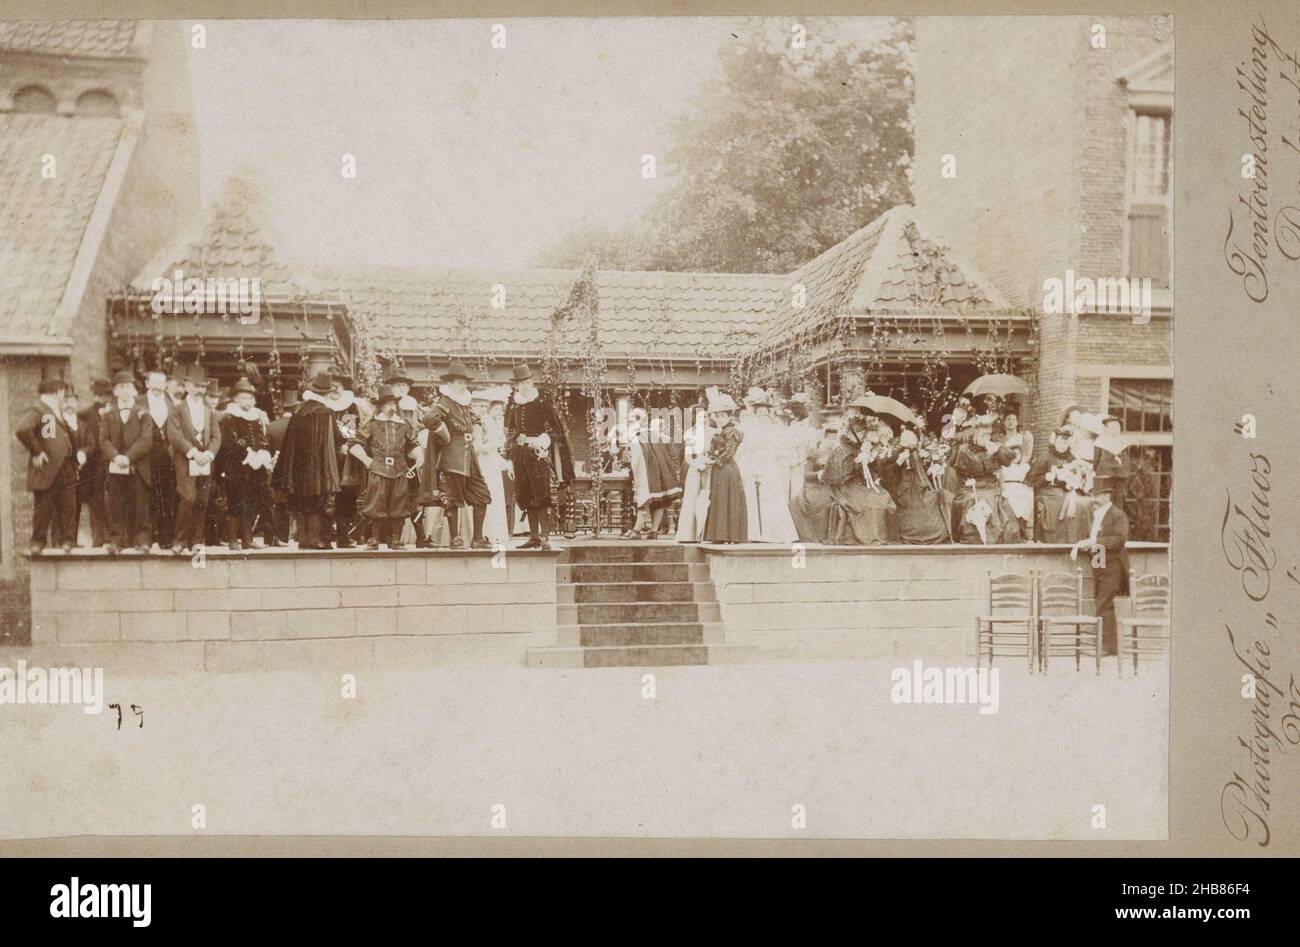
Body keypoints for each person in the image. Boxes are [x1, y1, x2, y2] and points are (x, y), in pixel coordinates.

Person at [416, 363, 491, 549]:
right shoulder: (445, 402)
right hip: (451, 457)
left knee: (482, 494)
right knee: (451, 497)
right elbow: (428, 419)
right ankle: (456, 538)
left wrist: (477, 430)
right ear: (450, 383)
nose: (462, 386)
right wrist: (444, 433)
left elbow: (476, 419)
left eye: (464, 382)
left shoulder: (464, 402)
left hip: (469, 456)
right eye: (458, 382)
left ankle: (478, 538)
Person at [505, 363, 573, 550]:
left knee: (541, 495)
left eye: (528, 381)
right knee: (525, 495)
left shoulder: (542, 404)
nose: (525, 385)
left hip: (538, 455)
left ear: (531, 382)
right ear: (516, 385)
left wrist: (544, 439)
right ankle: (533, 537)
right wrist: (510, 460)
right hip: (520, 455)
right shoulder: (514, 407)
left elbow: (557, 431)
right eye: (521, 383)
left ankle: (545, 537)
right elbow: (511, 434)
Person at [271, 369, 341, 550]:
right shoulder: (326, 413)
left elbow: (289, 441)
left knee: (302, 501)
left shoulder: (298, 410)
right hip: (319, 467)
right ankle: (318, 539)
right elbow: (337, 438)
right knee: (319, 501)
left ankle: (303, 539)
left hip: (298, 467)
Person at [349, 385, 422, 549]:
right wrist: (367, 461)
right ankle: (374, 538)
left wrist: (419, 455)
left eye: (394, 403)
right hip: (379, 469)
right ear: (381, 406)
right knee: (376, 503)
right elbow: (354, 444)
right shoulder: (373, 424)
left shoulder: (403, 424)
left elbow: (412, 445)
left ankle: (395, 539)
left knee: (399, 503)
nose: (392, 407)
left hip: (399, 469)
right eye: (389, 403)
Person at [15, 378, 77, 553]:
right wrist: (37, 451)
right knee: (44, 505)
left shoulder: (54, 411)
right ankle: (38, 541)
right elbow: (22, 429)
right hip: (48, 467)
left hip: (65, 465)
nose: (63, 396)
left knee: (68, 505)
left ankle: (67, 540)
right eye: (63, 392)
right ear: (57, 391)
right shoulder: (39, 410)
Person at [1072, 473, 1130, 657]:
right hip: (1100, 563)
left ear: (1107, 496)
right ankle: (1110, 646)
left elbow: (1119, 539)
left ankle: (1106, 646)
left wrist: (1094, 542)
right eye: (1092, 494)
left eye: (1097, 495)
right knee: (1104, 603)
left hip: (1113, 565)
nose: (1094, 498)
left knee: (1103, 604)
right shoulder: (1097, 515)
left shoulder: (1117, 515)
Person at [166, 364, 223, 554]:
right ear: (187, 386)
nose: (200, 390)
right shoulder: (177, 409)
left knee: (202, 500)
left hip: (205, 461)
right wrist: (193, 453)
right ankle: (179, 540)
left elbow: (216, 436)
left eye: (203, 387)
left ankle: (197, 541)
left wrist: (208, 454)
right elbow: (174, 435)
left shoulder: (209, 411)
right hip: (185, 459)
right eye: (197, 386)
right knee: (188, 498)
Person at [99, 370, 153, 554]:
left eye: (129, 387)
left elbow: (146, 440)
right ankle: (117, 540)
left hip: (137, 465)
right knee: (116, 503)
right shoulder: (108, 414)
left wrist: (128, 457)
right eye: (121, 387)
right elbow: (103, 440)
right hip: (115, 466)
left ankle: (142, 540)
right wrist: (116, 457)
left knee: (140, 503)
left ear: (135, 390)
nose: (126, 391)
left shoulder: (143, 413)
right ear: (114, 392)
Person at [736, 387, 799, 543]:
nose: (763, 416)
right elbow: (745, 449)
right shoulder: (750, 430)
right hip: (755, 464)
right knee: (754, 497)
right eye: (760, 414)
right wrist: (750, 465)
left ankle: (775, 533)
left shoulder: (774, 430)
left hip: (770, 465)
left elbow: (781, 447)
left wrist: (781, 456)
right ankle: (755, 532)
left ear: (769, 415)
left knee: (772, 497)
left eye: (765, 413)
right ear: (756, 415)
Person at [216, 378, 272, 551]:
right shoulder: (229, 418)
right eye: (243, 398)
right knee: (235, 503)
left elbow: (262, 439)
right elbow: (230, 443)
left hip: (255, 468)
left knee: (252, 503)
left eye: (249, 398)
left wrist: (262, 452)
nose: (247, 402)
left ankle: (248, 539)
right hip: (237, 467)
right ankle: (233, 540)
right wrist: (248, 453)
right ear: (235, 399)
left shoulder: (256, 417)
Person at [951, 414, 1022, 545]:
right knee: (968, 500)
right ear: (976, 435)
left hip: (991, 484)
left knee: (995, 499)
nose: (987, 438)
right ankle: (974, 537)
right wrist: (988, 455)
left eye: (988, 435)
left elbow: (1009, 461)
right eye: (983, 435)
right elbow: (964, 469)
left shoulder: (994, 446)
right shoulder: (965, 449)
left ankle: (996, 538)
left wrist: (998, 450)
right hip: (971, 485)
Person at [881, 424, 949, 544]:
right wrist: (899, 461)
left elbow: (922, 472)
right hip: (904, 489)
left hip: (920, 487)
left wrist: (930, 470)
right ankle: (913, 534)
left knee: (933, 499)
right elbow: (885, 473)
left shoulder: (917, 454)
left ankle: (932, 532)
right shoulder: (897, 454)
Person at [700, 388, 747, 543]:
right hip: (719, 470)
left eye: (722, 416)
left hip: (727, 470)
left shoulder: (733, 431)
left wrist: (714, 460)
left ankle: (730, 535)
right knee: (719, 499)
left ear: (729, 416)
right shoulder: (720, 432)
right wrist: (710, 457)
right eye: (717, 416)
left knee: (728, 499)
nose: (719, 419)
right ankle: (719, 535)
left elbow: (729, 453)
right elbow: (713, 451)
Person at [1029, 427, 1089, 543]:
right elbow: (1033, 479)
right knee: (1059, 500)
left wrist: (1077, 479)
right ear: (1054, 441)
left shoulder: (1071, 458)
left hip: (1069, 490)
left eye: (1065, 442)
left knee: (1080, 503)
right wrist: (1046, 477)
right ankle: (1052, 539)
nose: (1063, 445)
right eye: (1061, 442)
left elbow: (1079, 474)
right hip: (1049, 491)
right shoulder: (1045, 457)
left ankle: (1073, 539)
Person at [326, 372, 364, 548]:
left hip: (344, 459)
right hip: (325, 457)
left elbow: (352, 433)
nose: (334, 389)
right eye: (331, 386)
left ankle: (343, 535)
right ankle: (324, 535)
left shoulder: (350, 408)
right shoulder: (322, 406)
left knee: (346, 496)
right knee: (323, 496)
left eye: (337, 386)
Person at [142, 368, 177, 550]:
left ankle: (165, 538)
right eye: (154, 382)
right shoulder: (139, 402)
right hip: (146, 456)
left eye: (161, 382)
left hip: (168, 457)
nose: (158, 386)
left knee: (167, 496)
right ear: (147, 383)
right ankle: (149, 538)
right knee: (148, 497)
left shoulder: (172, 403)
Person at [472, 389, 511, 546]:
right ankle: (483, 534)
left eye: (483, 405)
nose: (481, 409)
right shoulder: (477, 424)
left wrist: (505, 463)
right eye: (478, 405)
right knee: (485, 498)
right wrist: (495, 444)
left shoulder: (489, 422)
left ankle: (495, 535)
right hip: (482, 465)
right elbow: (477, 447)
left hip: (492, 465)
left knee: (496, 500)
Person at [264, 388, 299, 546]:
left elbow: (267, 452)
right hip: (295, 472)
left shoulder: (272, 426)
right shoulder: (299, 427)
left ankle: (276, 537)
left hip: (276, 471)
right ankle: (293, 536)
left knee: (278, 504)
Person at [674, 403, 713, 542]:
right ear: (695, 417)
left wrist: (710, 462)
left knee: (709, 497)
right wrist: (697, 464)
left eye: (706, 416)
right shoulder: (691, 433)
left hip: (711, 467)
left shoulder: (714, 432)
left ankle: (707, 534)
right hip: (696, 467)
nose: (704, 419)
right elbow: (688, 456)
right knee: (692, 498)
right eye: (700, 416)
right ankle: (689, 533)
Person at [60, 388, 92, 546]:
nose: (69, 405)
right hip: (61, 472)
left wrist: (83, 453)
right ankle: (59, 542)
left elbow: (91, 443)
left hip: (81, 472)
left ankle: (71, 540)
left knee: (76, 505)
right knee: (59, 507)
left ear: (77, 402)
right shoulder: (57, 423)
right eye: (65, 401)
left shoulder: (83, 425)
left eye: (72, 401)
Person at [999, 410, 1034, 539]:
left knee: (1027, 496)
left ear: (1017, 422)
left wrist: (1020, 466)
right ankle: (1011, 529)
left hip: (1018, 472)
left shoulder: (1022, 438)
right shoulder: (1001, 440)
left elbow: (1026, 456)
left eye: (1013, 419)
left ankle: (1022, 526)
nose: (1010, 422)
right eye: (1008, 419)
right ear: (1003, 423)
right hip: (1006, 472)